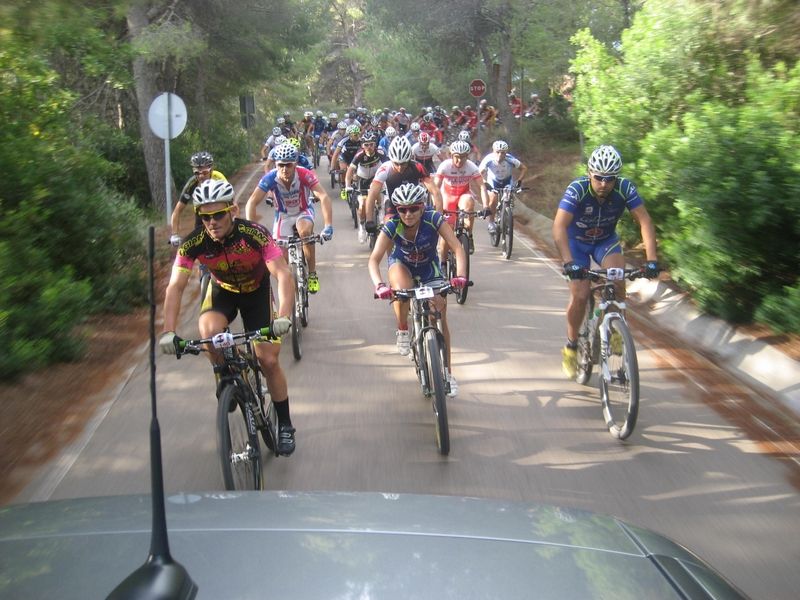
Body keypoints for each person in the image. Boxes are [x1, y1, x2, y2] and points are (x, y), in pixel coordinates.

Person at [159, 179, 298, 455]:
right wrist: (169, 331)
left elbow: (283, 274)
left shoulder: (254, 234)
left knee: (268, 359)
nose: (212, 222)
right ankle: (224, 373)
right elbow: (175, 287)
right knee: (208, 332)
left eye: (218, 214)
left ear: (233, 210)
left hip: (256, 292)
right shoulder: (193, 243)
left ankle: (284, 424)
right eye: (205, 216)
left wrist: (283, 316)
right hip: (223, 291)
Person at [552, 145, 659, 379]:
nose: (604, 183)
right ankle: (571, 345)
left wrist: (652, 260)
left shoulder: (625, 188)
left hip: (605, 242)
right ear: (589, 173)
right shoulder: (577, 189)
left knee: (617, 283)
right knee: (580, 295)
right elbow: (559, 226)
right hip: (576, 243)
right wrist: (568, 262)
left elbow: (645, 221)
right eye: (599, 177)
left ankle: (616, 333)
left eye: (610, 179)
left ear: (616, 178)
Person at [368, 183, 467, 396]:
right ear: (397, 209)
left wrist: (460, 276)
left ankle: (448, 374)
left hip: (428, 267)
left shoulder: (433, 219)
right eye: (402, 209)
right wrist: (380, 285)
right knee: (401, 292)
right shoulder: (392, 225)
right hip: (402, 265)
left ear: (422, 207)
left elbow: (457, 247)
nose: (408, 214)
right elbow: (374, 259)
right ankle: (403, 329)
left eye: (413, 208)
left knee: (439, 314)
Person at [245, 143, 334, 294]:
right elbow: (252, 202)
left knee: (305, 233)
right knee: (282, 260)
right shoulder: (270, 177)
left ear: (295, 164)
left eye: (288, 165)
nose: (284, 169)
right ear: (276, 164)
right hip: (283, 215)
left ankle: (312, 274)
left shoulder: (304, 174)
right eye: (281, 165)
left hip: (303, 211)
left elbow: (323, 196)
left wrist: (328, 225)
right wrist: (250, 232)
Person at [364, 135, 443, 237]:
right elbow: (372, 194)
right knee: (389, 229)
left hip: (414, 203)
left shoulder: (417, 167)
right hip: (393, 203)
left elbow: (435, 192)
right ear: (391, 159)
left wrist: (439, 218)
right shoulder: (385, 169)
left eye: (404, 164)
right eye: (396, 164)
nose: (400, 167)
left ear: (409, 159)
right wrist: (369, 220)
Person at [434, 140, 488, 256]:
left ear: (467, 156)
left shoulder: (471, 167)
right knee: (447, 232)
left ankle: (469, 235)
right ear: (451, 155)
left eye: (463, 157)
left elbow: (482, 186)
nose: (459, 160)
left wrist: (486, 206)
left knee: (469, 204)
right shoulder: (445, 166)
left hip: (463, 195)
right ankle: (443, 262)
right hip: (447, 197)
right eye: (457, 157)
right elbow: (435, 189)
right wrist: (436, 206)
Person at [169, 151, 227, 246]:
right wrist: (174, 234)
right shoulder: (192, 183)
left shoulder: (218, 178)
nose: (201, 176)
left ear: (211, 170)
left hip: (218, 210)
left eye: (205, 172)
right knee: (199, 243)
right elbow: (177, 211)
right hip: (201, 214)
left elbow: (232, 202)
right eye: (197, 173)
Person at [344, 131, 388, 243]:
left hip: (376, 178)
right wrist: (347, 186)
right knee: (362, 205)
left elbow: (389, 166)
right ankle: (362, 226)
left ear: (375, 144)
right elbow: (350, 171)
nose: (369, 147)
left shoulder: (380, 152)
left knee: (378, 193)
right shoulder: (359, 155)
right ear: (362, 145)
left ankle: (381, 211)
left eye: (371, 144)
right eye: (366, 145)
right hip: (362, 180)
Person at [478, 140, 528, 234]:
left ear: (506, 152)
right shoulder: (488, 159)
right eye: (497, 152)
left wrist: (519, 180)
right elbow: (479, 173)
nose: (500, 155)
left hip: (507, 181)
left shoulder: (510, 159)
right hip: (493, 182)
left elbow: (524, 168)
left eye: (503, 153)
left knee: (509, 197)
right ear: (493, 151)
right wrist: (485, 182)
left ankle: (508, 214)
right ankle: (491, 223)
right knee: (493, 199)